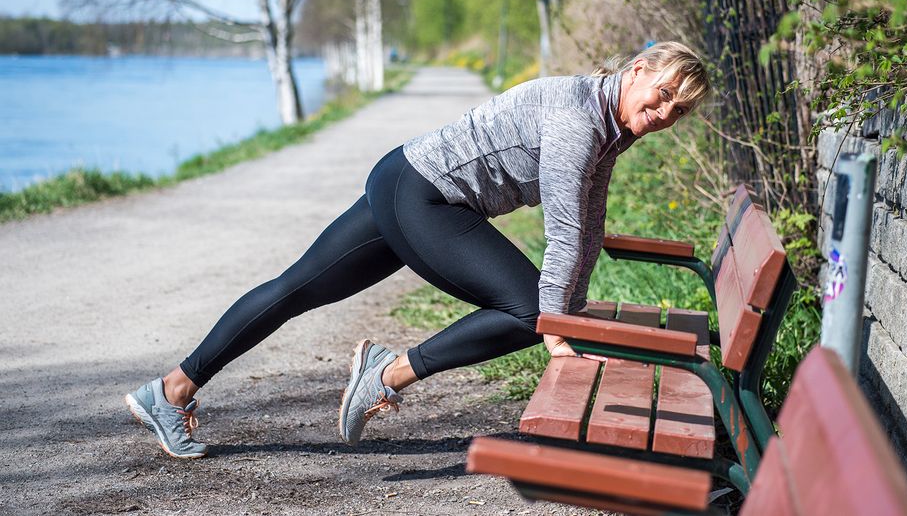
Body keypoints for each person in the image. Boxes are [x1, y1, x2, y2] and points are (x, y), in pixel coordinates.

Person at [125, 41, 711, 459]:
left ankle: (172, 389)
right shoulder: (578, 123)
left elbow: (589, 221)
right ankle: (389, 372)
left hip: (404, 176)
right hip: (425, 195)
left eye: (677, 113)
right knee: (527, 310)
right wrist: (558, 329)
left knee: (296, 289)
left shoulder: (607, 117)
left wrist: (571, 316)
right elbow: (566, 228)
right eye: (660, 97)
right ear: (638, 70)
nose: (661, 116)